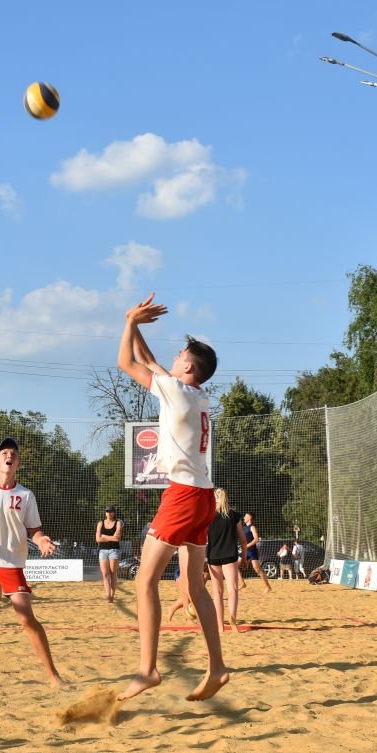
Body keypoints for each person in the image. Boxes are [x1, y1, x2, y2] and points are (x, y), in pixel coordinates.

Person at [116, 293, 229, 702]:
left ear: (188, 366)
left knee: (145, 581)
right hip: (202, 496)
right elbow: (149, 363)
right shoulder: (196, 396)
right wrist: (139, 330)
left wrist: (129, 321)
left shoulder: (177, 393)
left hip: (181, 496)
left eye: (180, 353)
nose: (174, 356)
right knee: (196, 590)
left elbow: (127, 364)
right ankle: (216, 667)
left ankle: (147, 670)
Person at [0, 437, 63, 689]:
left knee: (26, 618)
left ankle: (53, 676)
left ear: (18, 464)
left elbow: (35, 531)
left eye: (14, 454)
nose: (9, 456)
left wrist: (41, 541)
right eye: (4, 453)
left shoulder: (25, 495)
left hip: (11, 564)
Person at [206, 489, 248, 633]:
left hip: (213, 556)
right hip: (230, 554)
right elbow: (243, 540)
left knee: (217, 592)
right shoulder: (234, 516)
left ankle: (220, 625)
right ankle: (233, 620)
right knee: (233, 590)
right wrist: (245, 557)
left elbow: (202, 538)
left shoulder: (208, 516)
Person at [95, 505, 123, 603]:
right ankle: (108, 595)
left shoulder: (118, 523)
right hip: (103, 550)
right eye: (107, 511)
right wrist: (111, 537)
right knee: (105, 573)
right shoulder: (100, 523)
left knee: (113, 572)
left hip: (114, 550)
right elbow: (98, 539)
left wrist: (104, 536)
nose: (109, 513)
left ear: (114, 513)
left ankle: (112, 593)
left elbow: (117, 538)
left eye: (111, 511)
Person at [240, 512, 271, 593]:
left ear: (249, 518)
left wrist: (246, 546)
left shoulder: (252, 527)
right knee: (234, 565)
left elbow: (256, 539)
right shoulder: (243, 527)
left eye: (245, 516)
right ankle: (242, 583)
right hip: (244, 550)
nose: (244, 517)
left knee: (257, 569)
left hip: (252, 551)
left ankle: (268, 586)